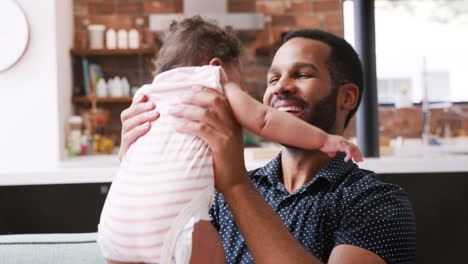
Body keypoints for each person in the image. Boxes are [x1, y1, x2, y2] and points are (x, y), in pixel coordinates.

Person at [119, 27, 416, 263]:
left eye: (301, 75)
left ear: (347, 97)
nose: (280, 87)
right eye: (273, 78)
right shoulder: (220, 195)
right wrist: (137, 161)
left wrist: (236, 185)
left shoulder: (376, 203)